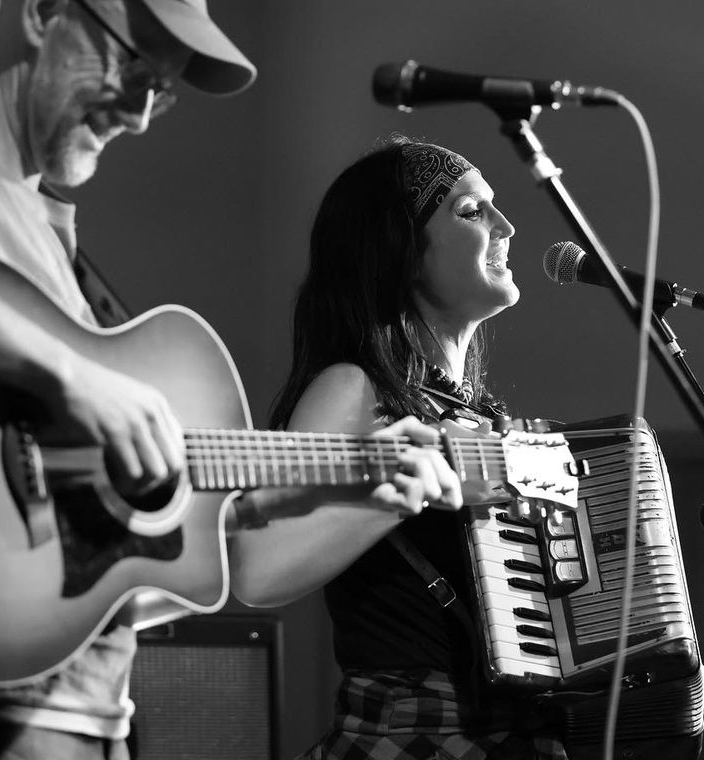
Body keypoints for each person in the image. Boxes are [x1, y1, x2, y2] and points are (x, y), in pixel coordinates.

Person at [0, 0, 458, 757]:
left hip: (85, 719)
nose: (141, 114)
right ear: (43, 9)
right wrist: (74, 379)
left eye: (162, 90)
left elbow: (112, 512)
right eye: (135, 69)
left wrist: (324, 479)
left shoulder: (47, 232)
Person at [231, 135, 578, 758]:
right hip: (417, 733)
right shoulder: (352, 387)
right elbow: (257, 568)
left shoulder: (479, 413)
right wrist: (400, 491)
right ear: (401, 251)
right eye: (471, 212)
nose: (506, 226)